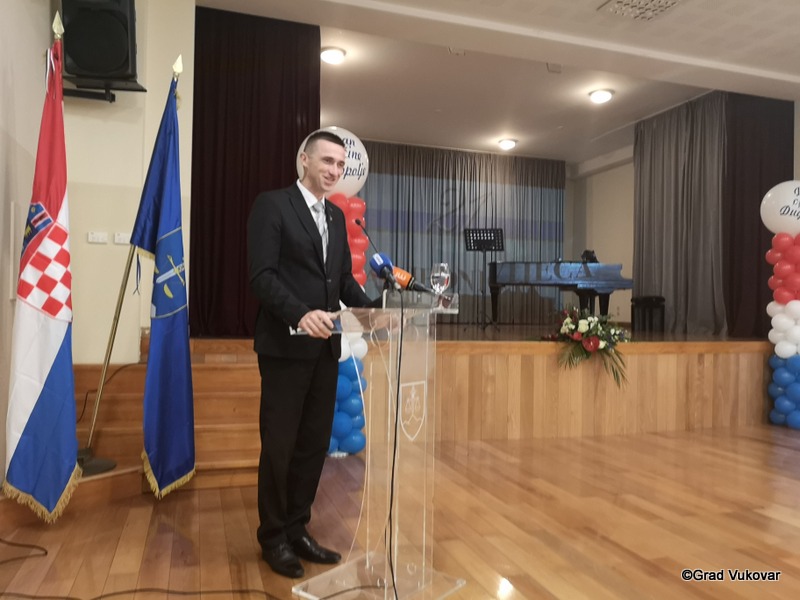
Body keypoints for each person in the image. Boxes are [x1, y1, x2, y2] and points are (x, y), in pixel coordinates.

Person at [247, 130, 374, 578]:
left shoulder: (337, 217)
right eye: (327, 161)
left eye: (340, 164)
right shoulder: (273, 205)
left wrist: (375, 311)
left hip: (325, 350)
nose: (335, 170)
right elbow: (262, 277)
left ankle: (297, 528)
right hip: (285, 348)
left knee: (312, 446)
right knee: (280, 447)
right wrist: (300, 314)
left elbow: (341, 280)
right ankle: (273, 537)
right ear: (304, 159)